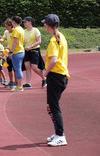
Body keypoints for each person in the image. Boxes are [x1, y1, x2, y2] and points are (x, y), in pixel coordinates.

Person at [42, 14, 70, 146]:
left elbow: (53, 60)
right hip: (61, 76)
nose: (44, 26)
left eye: (45, 24)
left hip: (56, 76)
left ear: (48, 26)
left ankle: (60, 135)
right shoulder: (61, 37)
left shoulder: (54, 40)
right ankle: (57, 132)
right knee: (50, 107)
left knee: (54, 107)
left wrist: (45, 73)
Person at [23, 16, 47, 89]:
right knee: (27, 66)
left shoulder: (35, 30)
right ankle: (28, 83)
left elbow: (39, 41)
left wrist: (31, 46)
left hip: (34, 50)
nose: (24, 23)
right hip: (27, 50)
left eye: (25, 22)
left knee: (34, 67)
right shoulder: (24, 31)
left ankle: (44, 79)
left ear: (30, 22)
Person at [0, 18, 17, 88]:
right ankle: (11, 81)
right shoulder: (6, 32)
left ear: (11, 25)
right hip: (8, 51)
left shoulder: (16, 31)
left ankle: (16, 82)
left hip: (15, 51)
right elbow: (3, 39)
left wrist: (12, 50)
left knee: (15, 68)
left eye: (6, 26)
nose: (6, 28)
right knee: (9, 67)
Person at [8, 16, 25, 92]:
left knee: (17, 69)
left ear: (14, 21)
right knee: (18, 69)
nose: (11, 23)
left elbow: (15, 42)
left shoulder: (16, 30)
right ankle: (19, 85)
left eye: (11, 21)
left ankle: (20, 86)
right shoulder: (21, 29)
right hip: (21, 51)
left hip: (17, 52)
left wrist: (11, 51)